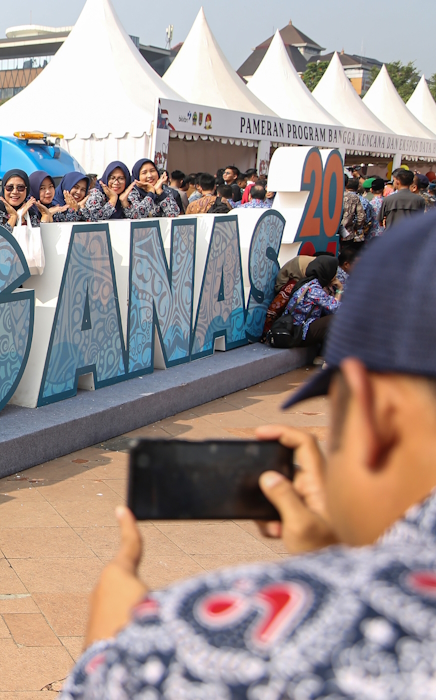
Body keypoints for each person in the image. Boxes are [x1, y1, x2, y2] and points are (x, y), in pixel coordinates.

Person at [63, 211, 436, 698]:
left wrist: (113, 647)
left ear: (379, 414)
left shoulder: (196, 641)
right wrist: (342, 555)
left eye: (336, 418)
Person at [279, 255, 342, 348]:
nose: (336, 275)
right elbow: (337, 309)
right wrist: (340, 289)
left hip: (301, 327)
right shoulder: (314, 289)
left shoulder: (312, 283)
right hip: (298, 331)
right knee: (336, 319)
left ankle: (322, 355)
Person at [340, 174, 368, 245]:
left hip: (327, 234)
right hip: (347, 233)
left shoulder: (327, 195)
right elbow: (361, 216)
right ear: (347, 183)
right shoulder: (354, 197)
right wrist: (355, 227)